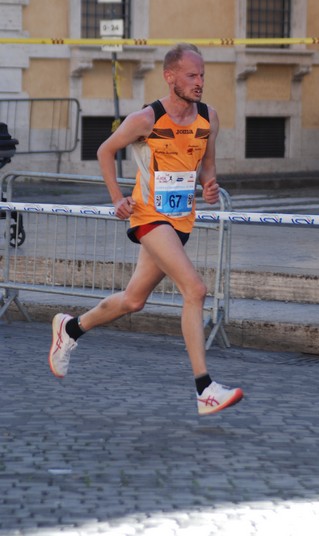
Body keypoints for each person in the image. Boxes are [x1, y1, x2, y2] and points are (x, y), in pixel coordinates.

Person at [48, 43, 243, 416]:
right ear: (170, 77)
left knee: (134, 300)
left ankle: (70, 330)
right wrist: (116, 198)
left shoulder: (209, 119)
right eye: (191, 75)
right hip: (148, 216)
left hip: (181, 219)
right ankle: (205, 388)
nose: (199, 82)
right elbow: (105, 151)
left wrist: (210, 185)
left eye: (202, 75)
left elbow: (208, 166)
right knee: (195, 289)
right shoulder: (146, 119)